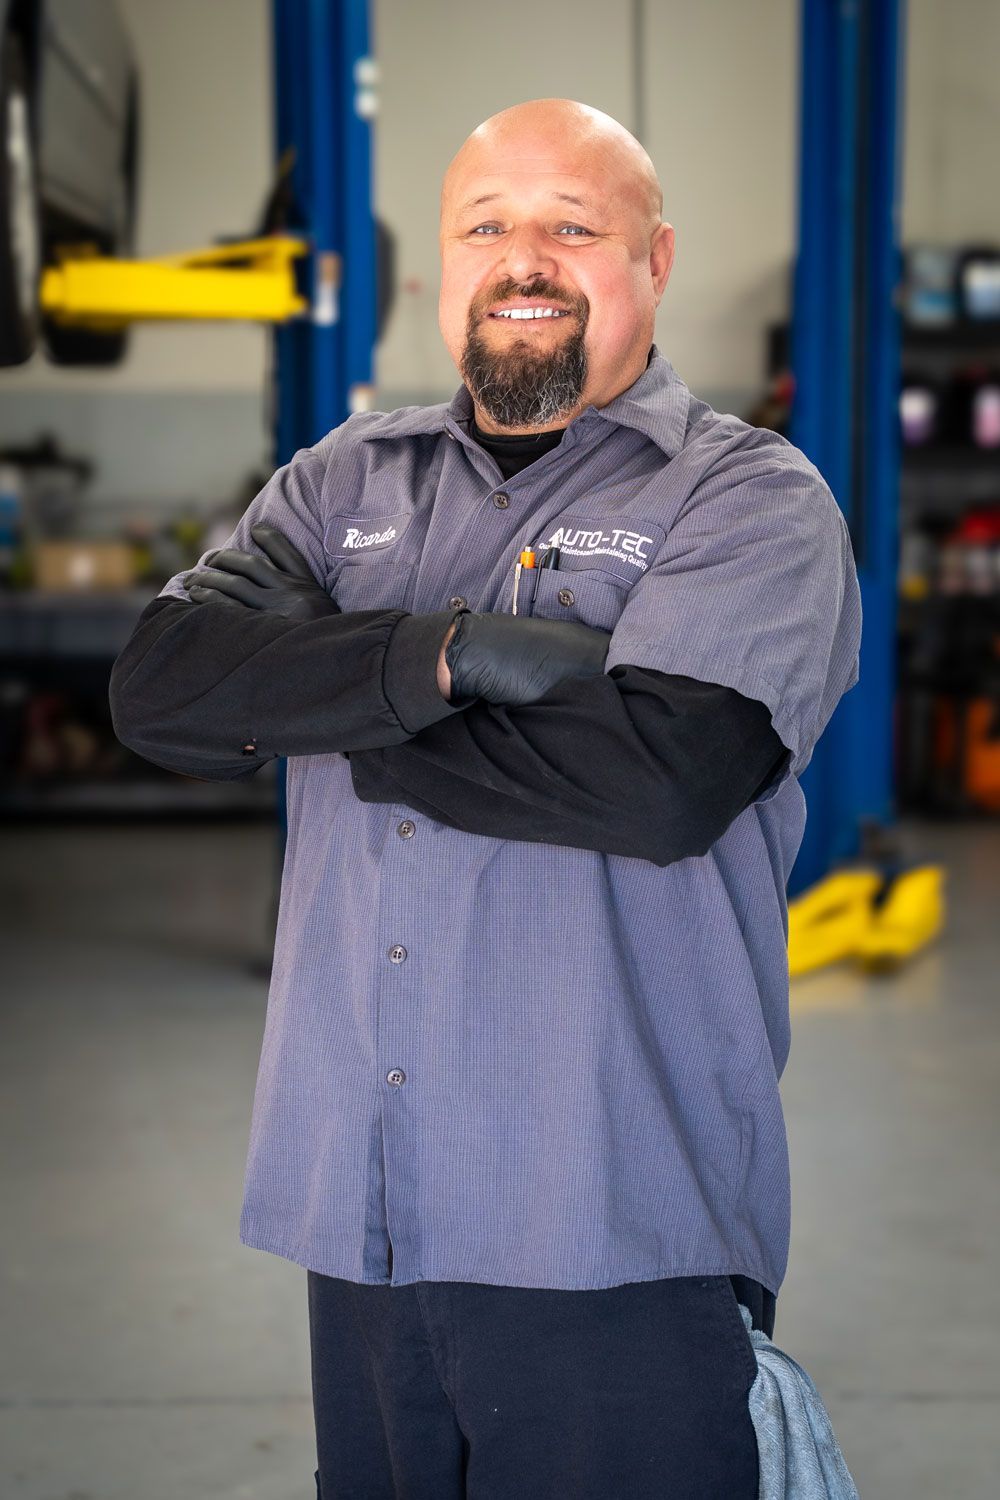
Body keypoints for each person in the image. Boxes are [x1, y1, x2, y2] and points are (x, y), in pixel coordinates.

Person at [109, 98, 861, 1499]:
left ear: (655, 259)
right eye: (487, 226)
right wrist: (450, 656)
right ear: (438, 271)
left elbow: (661, 779)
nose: (526, 258)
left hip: (613, 1216)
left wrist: (326, 708)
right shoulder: (342, 483)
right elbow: (162, 690)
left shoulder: (748, 500)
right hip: (368, 1209)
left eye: (573, 226)